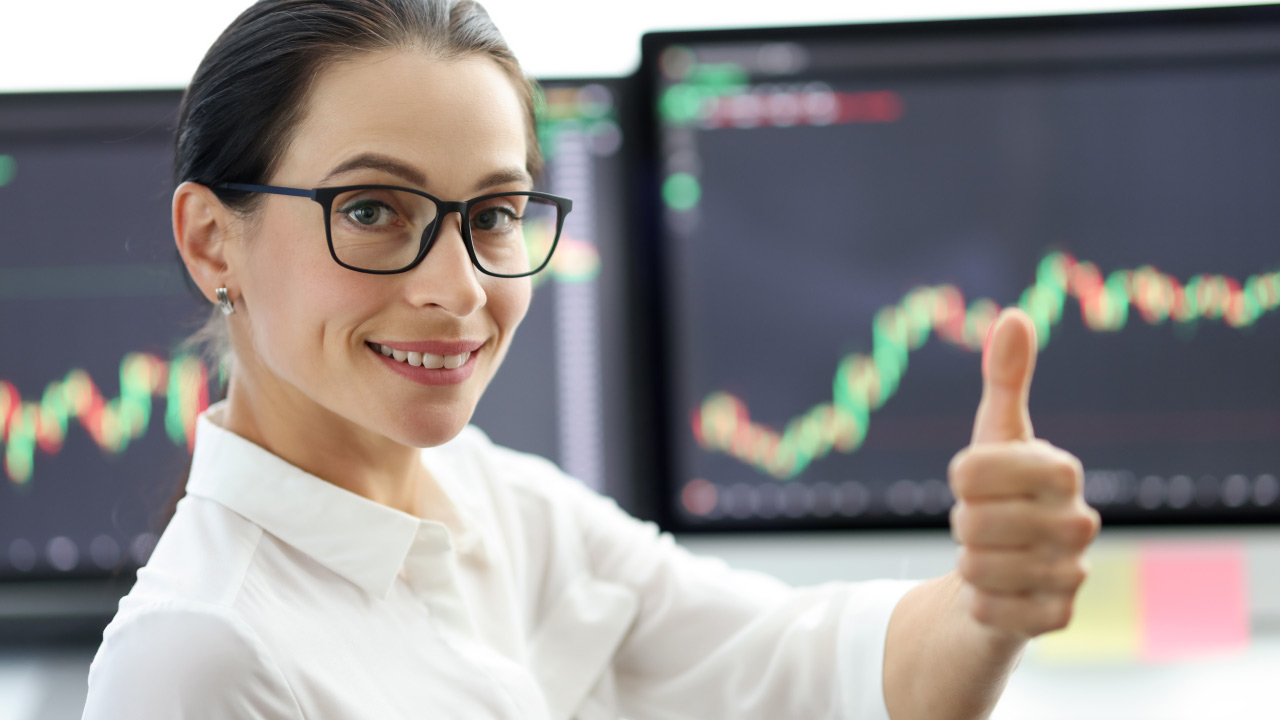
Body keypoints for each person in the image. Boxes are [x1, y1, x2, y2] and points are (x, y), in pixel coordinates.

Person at [81, 1, 1101, 718]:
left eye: (493, 214)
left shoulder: (502, 506)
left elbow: (805, 670)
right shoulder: (197, 661)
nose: (460, 289)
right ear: (215, 241)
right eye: (372, 211)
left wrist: (980, 607)